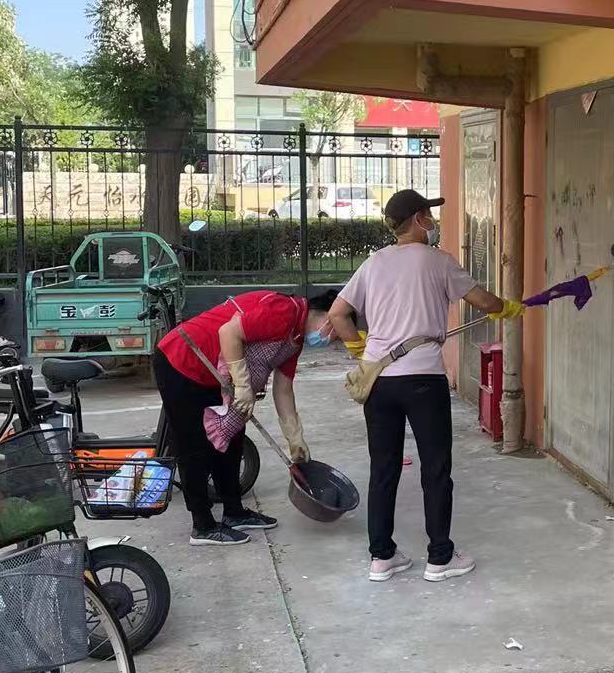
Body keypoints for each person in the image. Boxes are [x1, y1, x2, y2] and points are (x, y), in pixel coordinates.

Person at [328, 189, 522, 583]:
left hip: (379, 380)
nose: (432, 222)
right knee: (435, 468)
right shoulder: (438, 261)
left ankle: (381, 557)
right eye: (428, 215)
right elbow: (485, 302)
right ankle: (440, 558)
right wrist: (508, 307)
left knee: (383, 468)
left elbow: (338, 313)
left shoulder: (374, 263)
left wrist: (360, 351)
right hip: (422, 378)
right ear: (418, 220)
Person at [154, 290, 312, 546]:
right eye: (338, 332)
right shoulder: (285, 311)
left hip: (214, 374)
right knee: (194, 445)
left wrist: (295, 437)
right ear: (330, 318)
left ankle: (234, 512)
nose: (333, 338)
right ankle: (202, 525)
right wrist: (243, 385)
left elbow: (283, 389)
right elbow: (228, 332)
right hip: (182, 359)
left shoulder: (295, 336)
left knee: (233, 437)